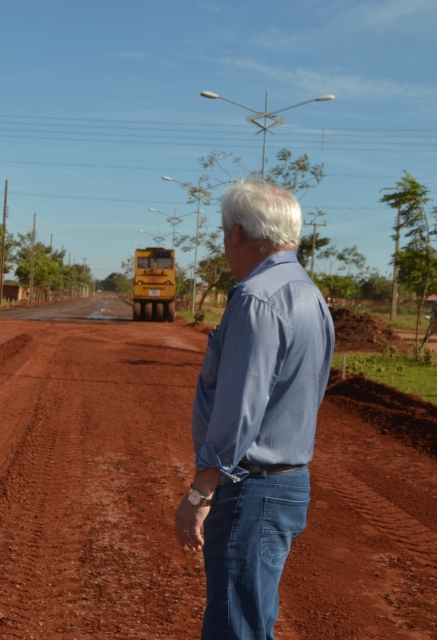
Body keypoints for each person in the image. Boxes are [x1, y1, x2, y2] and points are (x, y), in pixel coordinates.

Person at [174, 179, 334, 640]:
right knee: (251, 617)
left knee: (234, 626)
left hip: (249, 488)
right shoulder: (310, 295)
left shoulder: (256, 297)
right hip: (286, 484)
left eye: (225, 234)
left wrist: (201, 490)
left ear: (238, 232)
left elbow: (241, 403)